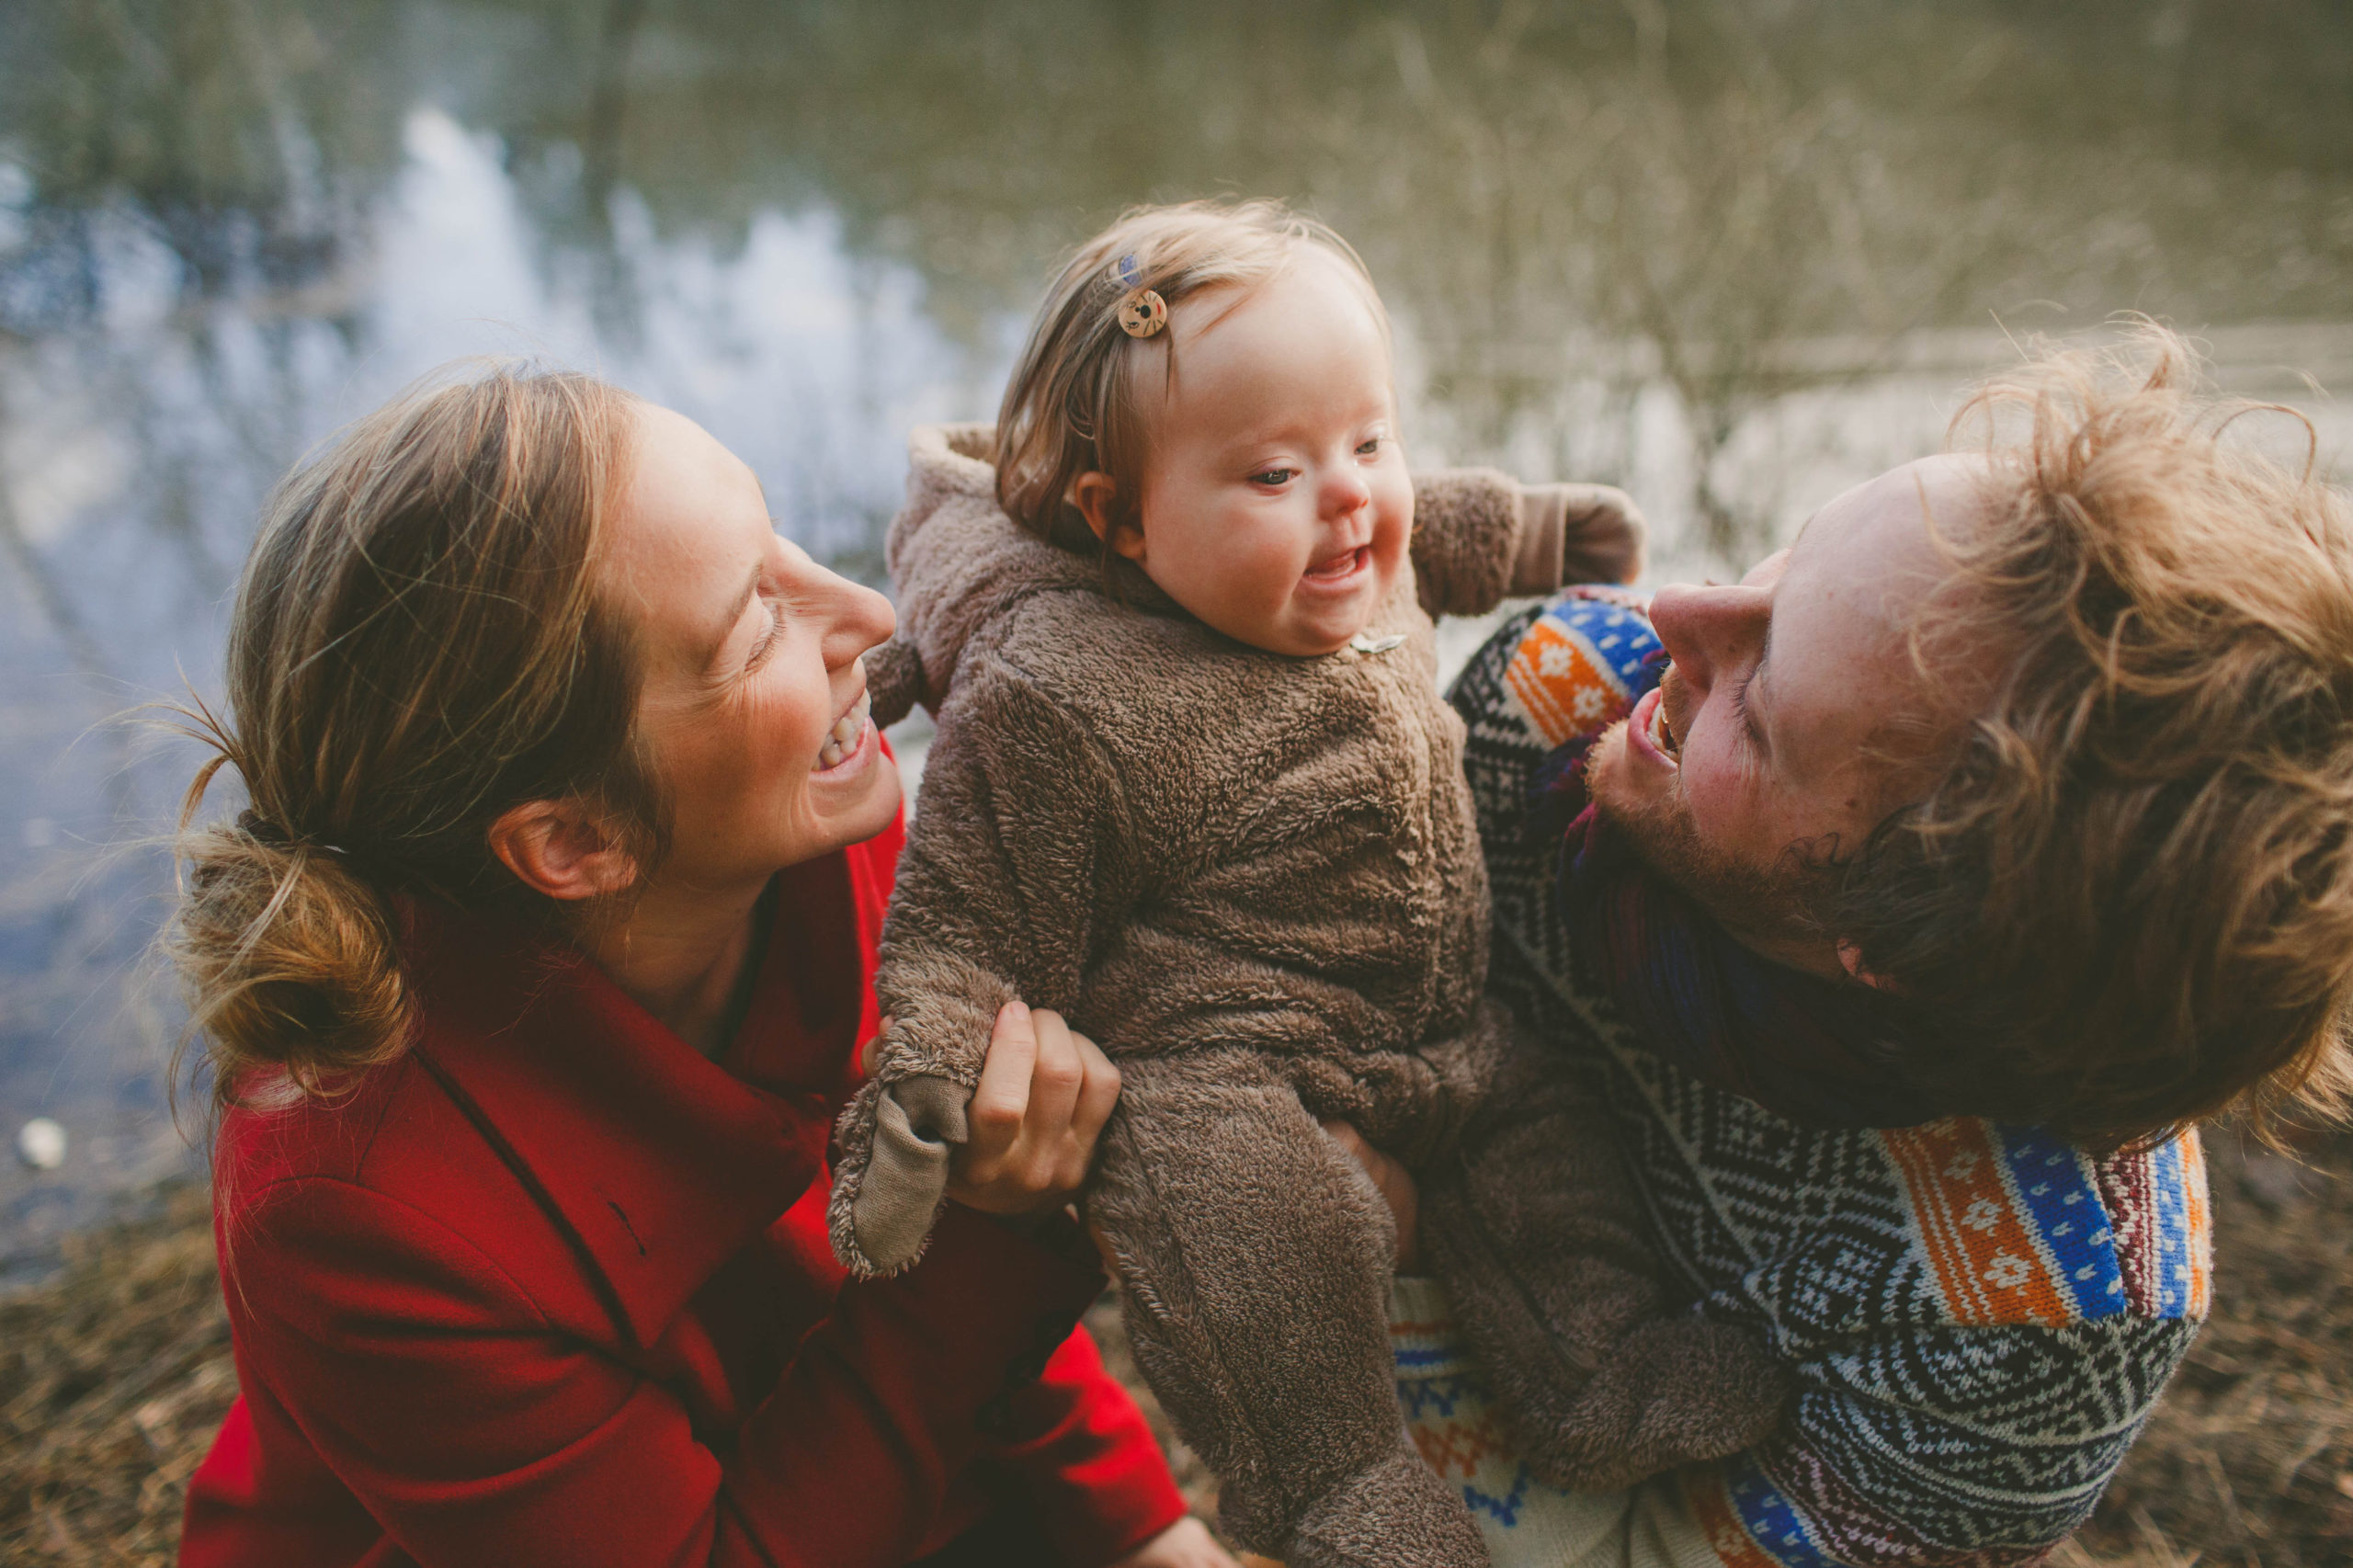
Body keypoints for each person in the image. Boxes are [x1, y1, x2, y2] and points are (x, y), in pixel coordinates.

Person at [824, 199, 1783, 1568]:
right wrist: (919, 1082)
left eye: (1370, 437)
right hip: (1230, 1067)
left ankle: (1597, 1374)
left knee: (1547, 1146)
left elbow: (1430, 529)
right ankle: (1337, 1487)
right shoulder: (1059, 691)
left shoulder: (1341, 562)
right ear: (1125, 521)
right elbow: (966, 915)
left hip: (1445, 1017)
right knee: (1268, 1250)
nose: (1350, 496)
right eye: (1274, 472)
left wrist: (1539, 535)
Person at [165, 366, 1231, 1567]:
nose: (873, 617)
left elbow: (925, 1225)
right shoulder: (360, 1210)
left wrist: (1143, 1522)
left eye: (781, 542)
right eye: (757, 622)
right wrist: (995, 1235)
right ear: (574, 840)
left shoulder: (830, 843)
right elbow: (948, 1282)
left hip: (856, 1454)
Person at [1372, 327, 2353, 1565]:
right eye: (1788, 557)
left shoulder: (2045, 1312)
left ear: (1887, 944)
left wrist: (1398, 1266)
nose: (1674, 610)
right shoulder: (1566, 700)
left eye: (1765, 710)